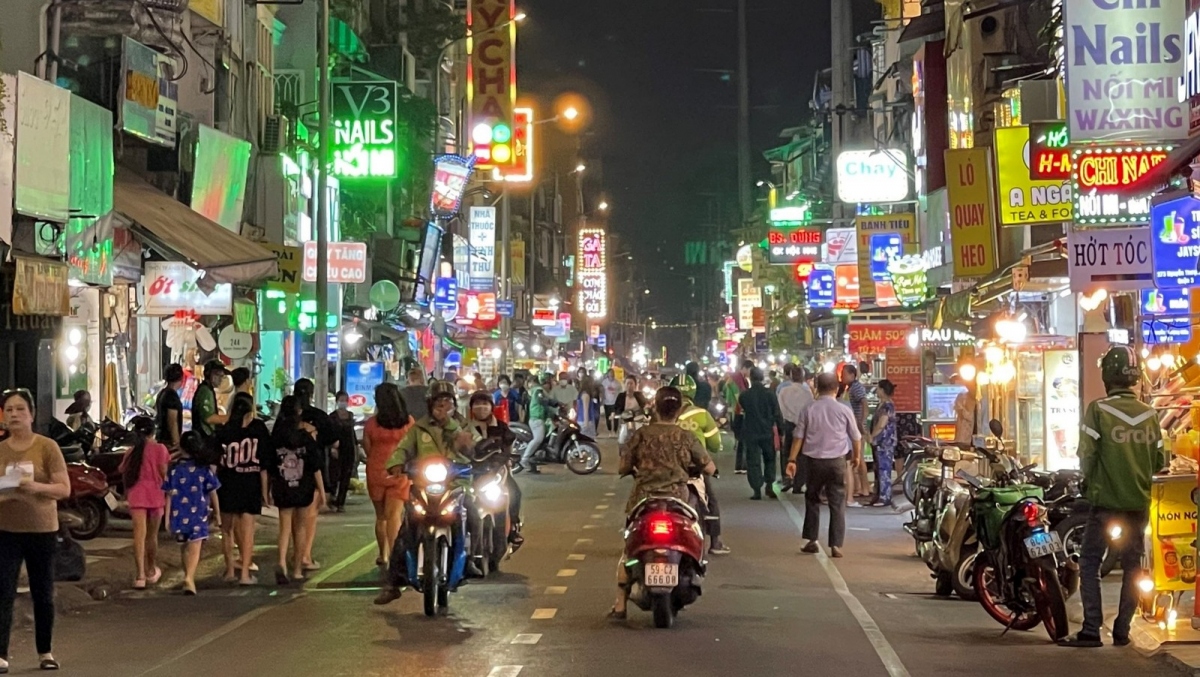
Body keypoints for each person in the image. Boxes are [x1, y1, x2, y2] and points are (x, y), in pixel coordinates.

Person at [1060, 346, 1165, 649]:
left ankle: (1092, 629)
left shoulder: (1099, 410)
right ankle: (1122, 630)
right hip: (1139, 505)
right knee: (1133, 567)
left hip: (1104, 504)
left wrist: (1090, 484)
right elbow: (1159, 460)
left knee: (1090, 562)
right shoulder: (1151, 414)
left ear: (1107, 374)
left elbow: (1087, 457)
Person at [610, 386, 716, 619]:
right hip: (678, 498)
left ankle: (620, 604)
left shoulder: (641, 435)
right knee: (697, 528)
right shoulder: (686, 436)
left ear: (655, 408)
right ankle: (698, 562)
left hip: (643, 499)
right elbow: (709, 466)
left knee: (628, 547)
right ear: (678, 410)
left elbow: (622, 466)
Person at [375, 381, 476, 605]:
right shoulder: (417, 429)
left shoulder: (460, 427)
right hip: (422, 487)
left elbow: (473, 448)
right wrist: (396, 464)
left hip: (455, 486)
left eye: (447, 403)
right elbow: (402, 449)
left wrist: (470, 448)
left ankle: (471, 560)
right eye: (438, 403)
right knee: (405, 532)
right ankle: (393, 582)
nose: (442, 407)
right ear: (430, 404)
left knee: (473, 514)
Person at [0, 389, 71, 671]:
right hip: (6, 530)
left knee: (43, 591)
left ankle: (45, 652)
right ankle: (2, 655)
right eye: (9, 410)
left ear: (31, 414)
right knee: (3, 591)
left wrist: (35, 487)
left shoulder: (47, 447)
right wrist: (7, 493)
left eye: (20, 409)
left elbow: (64, 488)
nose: (14, 414)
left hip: (42, 530)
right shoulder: (1, 450)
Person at [786, 372, 862, 558]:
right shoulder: (844, 410)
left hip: (814, 462)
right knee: (837, 502)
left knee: (812, 498)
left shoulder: (809, 409)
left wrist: (791, 460)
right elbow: (856, 436)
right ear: (837, 389)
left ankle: (811, 540)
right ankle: (836, 545)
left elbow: (798, 437)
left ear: (817, 389)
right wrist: (857, 457)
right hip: (837, 462)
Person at [266, 396, 326, 585]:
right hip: (303, 487)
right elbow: (315, 467)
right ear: (299, 412)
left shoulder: (275, 438)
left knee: (284, 528)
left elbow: (269, 466)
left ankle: (281, 562)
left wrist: (266, 489)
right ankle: (298, 570)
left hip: (282, 486)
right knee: (300, 528)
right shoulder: (306, 438)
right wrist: (322, 492)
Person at [214, 393, 271, 585]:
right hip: (250, 485)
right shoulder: (259, 429)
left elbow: (215, 464)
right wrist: (265, 492)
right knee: (248, 532)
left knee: (227, 530)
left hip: (227, 484)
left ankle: (230, 570)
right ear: (249, 413)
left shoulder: (223, 431)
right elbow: (264, 465)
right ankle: (245, 573)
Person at [670, 374, 730, 556]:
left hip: (669, 469)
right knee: (710, 501)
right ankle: (716, 541)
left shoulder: (664, 414)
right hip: (696, 468)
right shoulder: (702, 414)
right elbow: (714, 445)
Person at [363, 383, 413, 569]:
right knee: (394, 516)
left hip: (376, 471)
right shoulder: (408, 422)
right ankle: (394, 555)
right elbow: (412, 447)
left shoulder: (371, 424)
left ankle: (382, 554)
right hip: (399, 471)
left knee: (381, 516)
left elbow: (368, 448)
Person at [164, 432, 221, 596]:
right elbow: (213, 493)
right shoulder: (204, 469)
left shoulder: (174, 470)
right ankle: (189, 578)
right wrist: (217, 514)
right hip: (198, 514)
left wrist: (167, 518)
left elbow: (168, 494)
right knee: (195, 547)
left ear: (181, 448)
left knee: (184, 547)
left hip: (178, 514)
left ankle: (188, 577)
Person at [467, 391, 524, 551]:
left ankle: (512, 528)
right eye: (477, 404)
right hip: (472, 472)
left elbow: (508, 449)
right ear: (471, 407)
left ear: (491, 407)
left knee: (515, 493)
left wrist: (506, 460)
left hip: (497, 472)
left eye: (485, 404)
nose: (481, 408)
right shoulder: (464, 428)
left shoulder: (501, 427)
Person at [119, 415, 170, 589]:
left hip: (136, 495)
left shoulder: (131, 452)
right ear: (153, 432)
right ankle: (150, 570)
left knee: (139, 537)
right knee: (152, 536)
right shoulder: (160, 449)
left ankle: (139, 576)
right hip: (155, 495)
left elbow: (124, 472)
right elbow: (164, 473)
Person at [292, 378, 335, 572]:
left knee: (293, 518)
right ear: (311, 394)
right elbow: (332, 440)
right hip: (311, 469)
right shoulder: (319, 416)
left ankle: (295, 555)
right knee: (310, 516)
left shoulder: (286, 416)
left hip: (288, 471)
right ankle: (305, 556)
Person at [738, 367, 785, 500]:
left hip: (751, 431)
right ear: (762, 378)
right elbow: (777, 413)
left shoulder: (744, 395)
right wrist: (781, 431)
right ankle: (769, 485)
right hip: (767, 431)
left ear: (751, 378)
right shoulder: (770, 394)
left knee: (753, 461)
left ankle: (756, 489)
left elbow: (742, 412)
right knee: (770, 459)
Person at [778, 366, 814, 493]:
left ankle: (788, 479)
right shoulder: (807, 392)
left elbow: (781, 409)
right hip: (803, 425)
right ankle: (798, 483)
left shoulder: (784, 391)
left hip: (788, 424)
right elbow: (810, 409)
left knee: (787, 452)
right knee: (801, 455)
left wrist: (790, 420)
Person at [840, 364, 870, 507]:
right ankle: (860, 487)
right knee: (856, 459)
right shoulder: (851, 388)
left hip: (857, 428)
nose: (842, 377)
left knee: (860, 459)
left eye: (844, 374)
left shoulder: (856, 388)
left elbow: (864, 403)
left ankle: (865, 488)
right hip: (855, 427)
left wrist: (861, 421)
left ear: (852, 375)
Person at [522, 373, 562, 474]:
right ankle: (525, 459)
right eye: (549, 382)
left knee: (546, 438)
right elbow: (543, 401)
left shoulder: (534, 391)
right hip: (537, 418)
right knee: (538, 439)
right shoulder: (538, 390)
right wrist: (555, 403)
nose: (551, 384)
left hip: (540, 418)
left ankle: (534, 462)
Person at [868, 379, 898, 508]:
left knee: (884, 469)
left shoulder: (887, 406)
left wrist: (872, 435)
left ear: (883, 390)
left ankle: (885, 496)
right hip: (878, 442)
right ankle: (878, 494)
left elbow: (881, 424)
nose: (877, 390)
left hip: (885, 442)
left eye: (879, 388)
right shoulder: (881, 405)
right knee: (878, 469)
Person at [329, 391, 360, 512]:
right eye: (341, 400)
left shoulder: (351, 415)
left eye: (345, 400)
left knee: (346, 475)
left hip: (349, 447)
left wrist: (356, 446)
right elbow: (330, 433)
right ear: (337, 401)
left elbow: (352, 433)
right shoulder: (332, 416)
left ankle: (341, 502)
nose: (343, 402)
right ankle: (332, 498)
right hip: (337, 448)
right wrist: (332, 446)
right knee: (335, 474)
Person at [724, 359, 752, 474]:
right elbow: (738, 397)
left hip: (735, 412)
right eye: (750, 370)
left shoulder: (736, 379)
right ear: (745, 368)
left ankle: (740, 466)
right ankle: (742, 465)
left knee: (741, 440)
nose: (750, 372)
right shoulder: (737, 380)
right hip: (739, 412)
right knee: (743, 440)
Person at [192, 359, 228, 438]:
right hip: (204, 439)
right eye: (218, 375)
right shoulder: (205, 391)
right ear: (208, 374)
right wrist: (230, 417)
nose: (221, 379)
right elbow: (209, 418)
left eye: (222, 376)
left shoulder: (208, 389)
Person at [156, 364, 186, 452]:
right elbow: (172, 421)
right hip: (168, 443)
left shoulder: (162, 393)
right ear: (181, 378)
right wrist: (176, 443)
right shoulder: (171, 396)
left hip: (161, 438)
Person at [953, 376, 980, 446]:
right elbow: (964, 417)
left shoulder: (983, 401)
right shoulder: (962, 398)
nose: (973, 388)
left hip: (980, 441)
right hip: (963, 441)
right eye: (971, 385)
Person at [576, 373, 600, 438]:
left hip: (581, 420)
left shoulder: (582, 394)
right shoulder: (586, 395)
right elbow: (585, 409)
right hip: (586, 421)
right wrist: (586, 423)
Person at [601, 369, 621, 435]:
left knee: (616, 417)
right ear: (607, 374)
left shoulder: (617, 383)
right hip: (607, 402)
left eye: (612, 373)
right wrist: (602, 400)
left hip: (615, 402)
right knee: (608, 417)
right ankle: (609, 430)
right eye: (610, 373)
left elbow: (620, 392)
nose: (611, 374)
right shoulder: (604, 382)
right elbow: (602, 392)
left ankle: (615, 431)